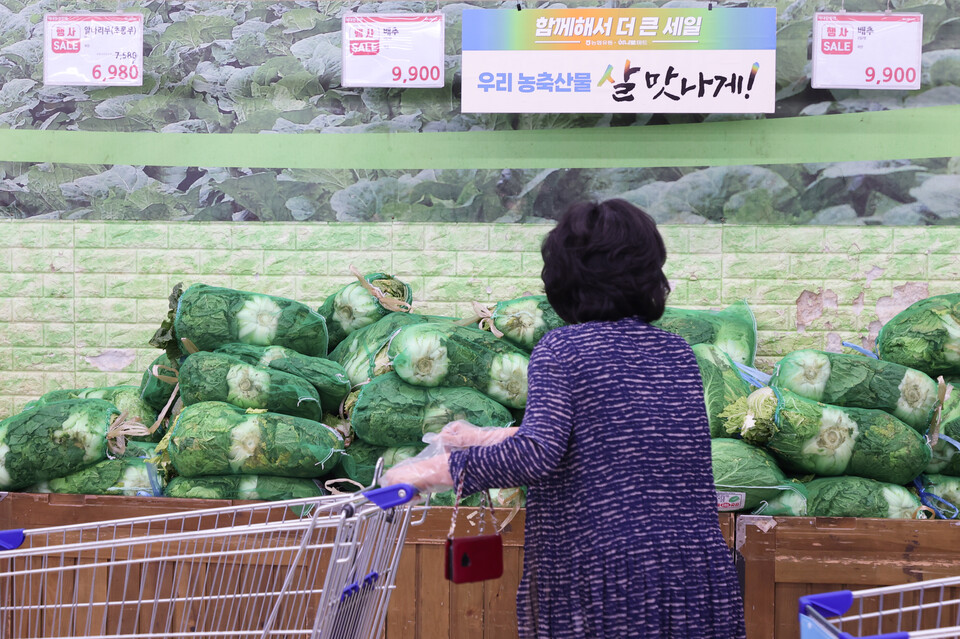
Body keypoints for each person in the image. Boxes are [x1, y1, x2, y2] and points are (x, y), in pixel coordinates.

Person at [381, 199, 746, 639]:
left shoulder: (564, 349)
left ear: (564, 278)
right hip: (693, 573)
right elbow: (610, 440)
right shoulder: (677, 353)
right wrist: (488, 437)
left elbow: (538, 455)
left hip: (607, 577)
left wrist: (432, 472)